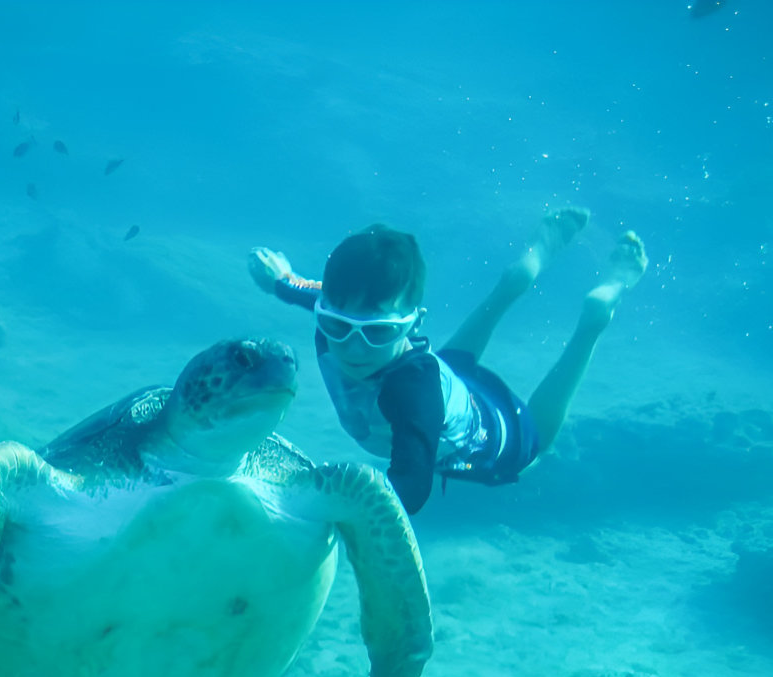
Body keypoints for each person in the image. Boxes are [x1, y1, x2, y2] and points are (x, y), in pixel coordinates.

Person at [247, 208, 647, 516]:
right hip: (443, 387)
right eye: (336, 325)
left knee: (536, 445)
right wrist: (282, 281)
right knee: (446, 366)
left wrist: (330, 511)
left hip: (493, 434)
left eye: (378, 332)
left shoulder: (412, 393)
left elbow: (411, 487)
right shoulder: (339, 312)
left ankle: (594, 319)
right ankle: (518, 276)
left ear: (412, 324)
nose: (353, 347)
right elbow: (315, 292)